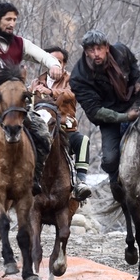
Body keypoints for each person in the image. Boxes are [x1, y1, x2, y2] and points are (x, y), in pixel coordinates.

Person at [0, 1, 61, 195]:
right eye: (8, 19)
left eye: (14, 19)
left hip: (14, 101)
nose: (12, 23)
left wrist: (54, 64)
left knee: (42, 133)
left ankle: (35, 175)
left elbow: (43, 56)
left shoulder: (21, 43)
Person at [70, 30, 140, 190]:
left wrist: (138, 82)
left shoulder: (121, 52)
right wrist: (124, 117)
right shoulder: (79, 77)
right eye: (91, 50)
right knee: (110, 159)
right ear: (85, 51)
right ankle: (117, 188)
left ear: (107, 47)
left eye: (99, 49)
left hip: (134, 104)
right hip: (109, 118)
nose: (96, 54)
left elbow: (134, 66)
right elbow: (95, 111)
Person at [29, 46, 92, 201]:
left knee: (83, 140)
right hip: (41, 128)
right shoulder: (37, 81)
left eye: (58, 61)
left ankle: (81, 181)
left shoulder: (72, 79)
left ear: (64, 64)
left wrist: (52, 92)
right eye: (51, 60)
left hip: (65, 128)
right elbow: (28, 102)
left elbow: (72, 93)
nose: (54, 64)